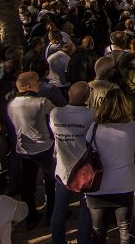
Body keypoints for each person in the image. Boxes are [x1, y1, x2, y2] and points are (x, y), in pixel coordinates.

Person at [86, 86, 135, 244]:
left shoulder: (94, 128)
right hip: (125, 185)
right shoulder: (134, 127)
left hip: (98, 186)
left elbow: (89, 149)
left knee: (98, 232)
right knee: (125, 231)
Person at [6, 71, 56, 229]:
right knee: (51, 182)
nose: (40, 83)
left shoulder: (11, 103)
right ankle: (52, 215)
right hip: (44, 147)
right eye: (37, 81)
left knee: (27, 183)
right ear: (28, 86)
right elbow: (56, 116)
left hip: (23, 150)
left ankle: (30, 217)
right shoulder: (42, 102)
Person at [49, 81, 93, 244]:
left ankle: (57, 240)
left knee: (59, 209)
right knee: (86, 208)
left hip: (63, 168)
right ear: (87, 97)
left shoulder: (55, 113)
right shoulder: (91, 115)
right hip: (84, 171)